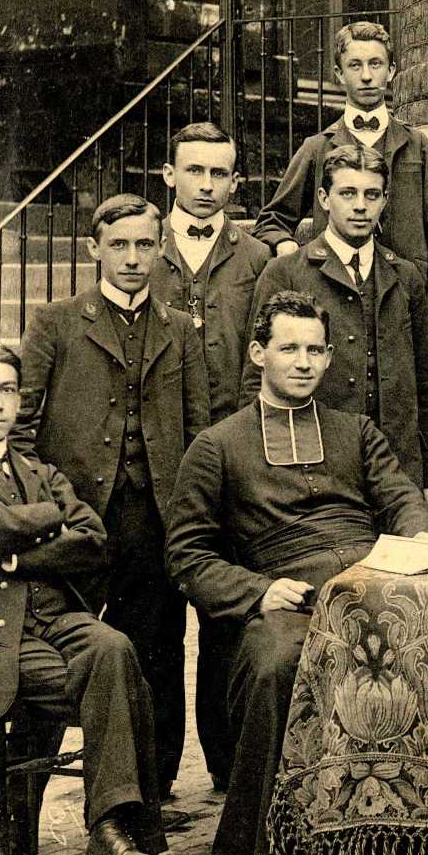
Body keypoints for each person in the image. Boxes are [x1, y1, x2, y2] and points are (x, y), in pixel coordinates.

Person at [164, 291, 428, 855]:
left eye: (316, 349)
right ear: (259, 353)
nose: (304, 361)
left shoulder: (355, 431)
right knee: (280, 666)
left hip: (375, 585)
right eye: (289, 348)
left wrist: (422, 544)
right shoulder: (217, 445)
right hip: (286, 601)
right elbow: (187, 557)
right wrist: (258, 591)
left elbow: (401, 500)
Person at [0, 342, 197, 855]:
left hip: (51, 624)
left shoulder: (41, 471)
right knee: (113, 681)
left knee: (113, 647)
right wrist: (45, 521)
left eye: (8, 390)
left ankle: (107, 838)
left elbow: (94, 545)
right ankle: (121, 840)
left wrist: (16, 553)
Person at [13, 194, 210, 799]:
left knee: (156, 650)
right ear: (94, 249)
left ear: (161, 248)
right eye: (119, 245)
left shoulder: (180, 328)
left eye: (145, 245)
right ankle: (17, 812)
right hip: (75, 525)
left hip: (153, 518)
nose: (132, 257)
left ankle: (150, 795)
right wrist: (48, 503)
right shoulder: (57, 321)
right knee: (57, 650)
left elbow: (199, 427)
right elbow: (20, 427)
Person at [152, 120, 273, 792]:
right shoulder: (143, 249)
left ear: (235, 181)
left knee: (231, 617)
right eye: (192, 170)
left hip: (235, 465)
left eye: (218, 173)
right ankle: (156, 778)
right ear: (169, 175)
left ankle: (232, 772)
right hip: (163, 464)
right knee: (156, 629)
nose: (205, 185)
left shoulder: (255, 259)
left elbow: (263, 360)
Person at [244, 143, 428, 516]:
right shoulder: (287, 272)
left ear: (385, 200)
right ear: (323, 198)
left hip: (398, 472)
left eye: (372, 195)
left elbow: (426, 387)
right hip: (313, 469)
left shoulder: (405, 276)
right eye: (347, 193)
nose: (360, 206)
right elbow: (255, 382)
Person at [251, 21, 428, 333]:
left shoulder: (417, 146)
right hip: (335, 301)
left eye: (376, 64)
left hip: (404, 304)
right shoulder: (318, 148)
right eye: (354, 65)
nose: (366, 76)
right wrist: (285, 246)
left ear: (392, 71)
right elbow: (272, 220)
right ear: (338, 74)